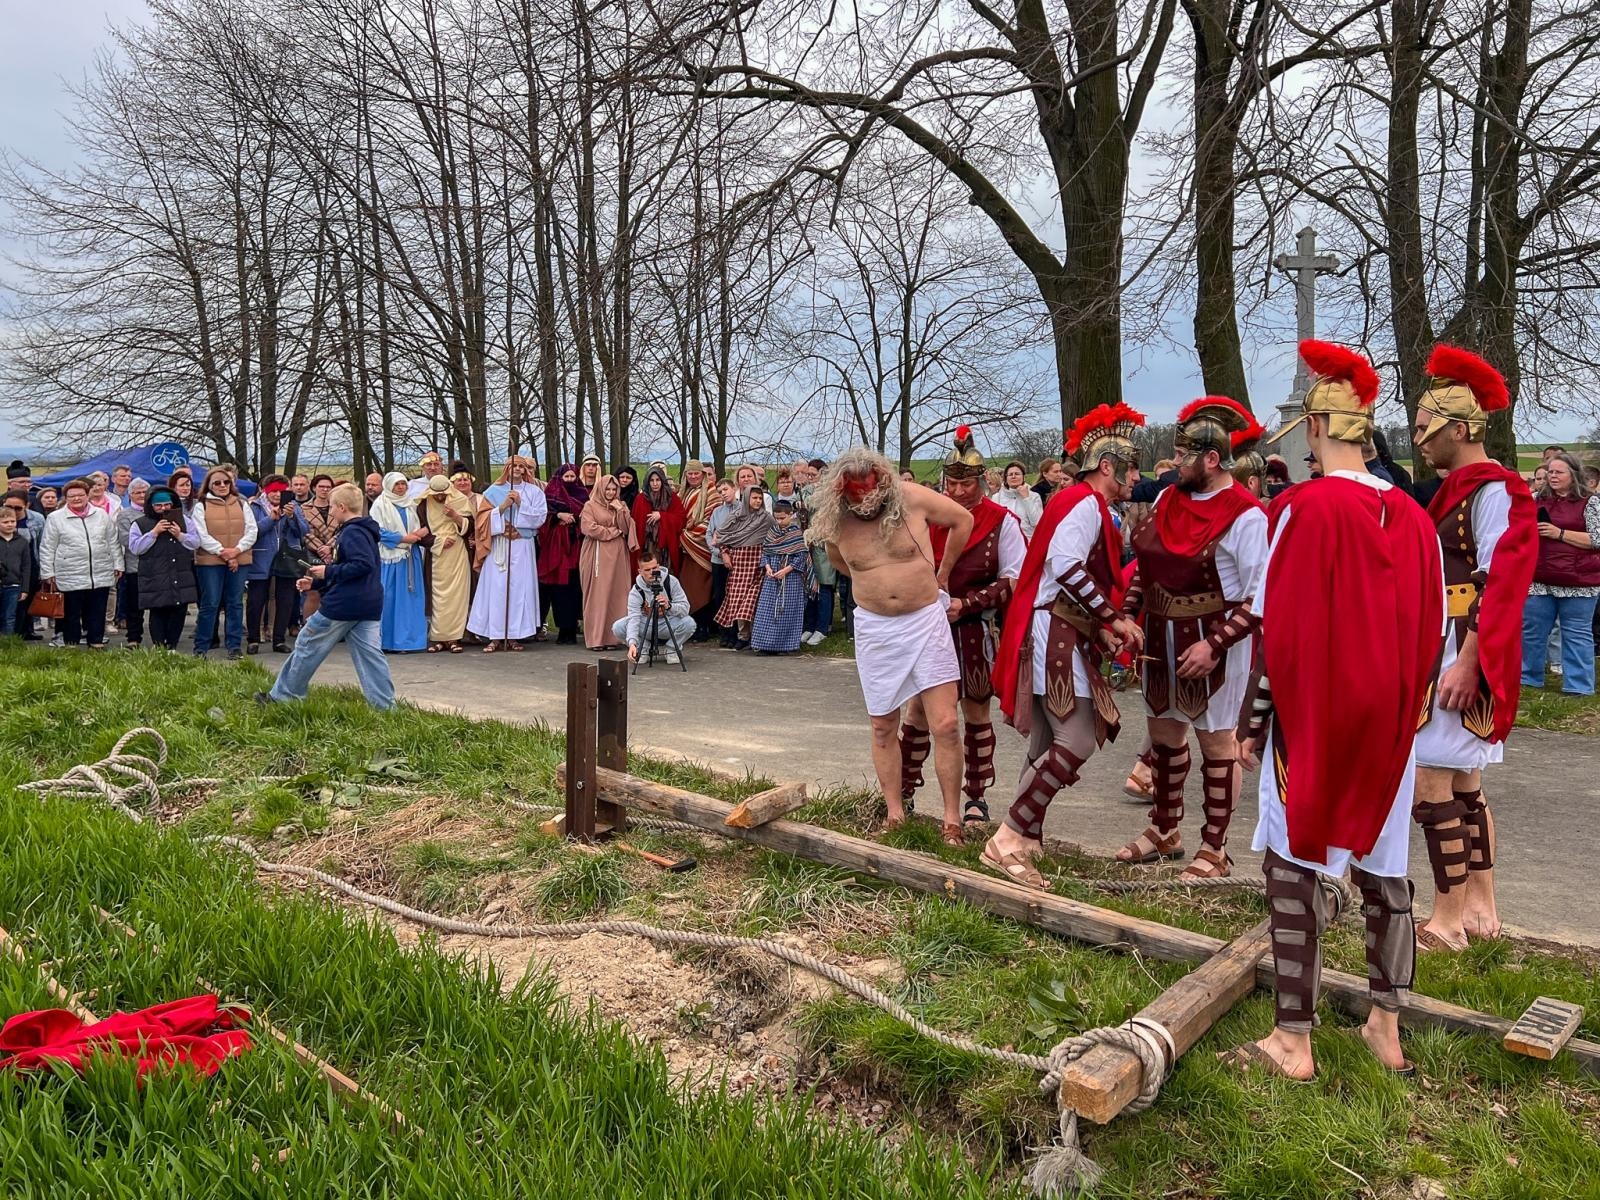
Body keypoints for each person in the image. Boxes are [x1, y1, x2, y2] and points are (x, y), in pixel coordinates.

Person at [1224, 338, 1444, 1081]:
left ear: (1315, 429)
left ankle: (1293, 1041)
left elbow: (1276, 624)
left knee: (1291, 859)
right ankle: (1386, 1025)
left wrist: (1255, 720)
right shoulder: (1415, 517)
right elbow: (1433, 629)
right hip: (1391, 723)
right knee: (1385, 866)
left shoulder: (1302, 506)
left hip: (1317, 717)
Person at [979, 407, 1145, 885]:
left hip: (1060, 627)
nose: (1137, 476)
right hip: (1055, 630)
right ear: (1107, 465)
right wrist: (1112, 617)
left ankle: (1027, 836)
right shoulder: (1083, 502)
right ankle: (1008, 837)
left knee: (1048, 741)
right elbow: (1067, 568)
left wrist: (1105, 628)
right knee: (1077, 737)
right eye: (1131, 466)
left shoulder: (1083, 503)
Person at [1410, 345, 1539, 952]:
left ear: (1458, 430)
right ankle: (1481, 905)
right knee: (1464, 782)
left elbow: (1500, 582)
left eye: (1424, 429)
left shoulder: (1496, 491)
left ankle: (1447, 919)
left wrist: (1468, 662)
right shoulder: (1455, 490)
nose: (1417, 441)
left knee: (1433, 779)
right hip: (1449, 646)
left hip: (1463, 654)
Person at [1115, 397, 1267, 880]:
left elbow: (1258, 598)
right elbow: (1148, 564)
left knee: (1217, 744)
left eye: (1183, 455)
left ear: (1212, 459)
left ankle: (1215, 849)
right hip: (1161, 634)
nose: (1175, 463)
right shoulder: (1167, 500)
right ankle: (1165, 830)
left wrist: (1214, 645)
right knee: (1163, 737)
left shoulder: (1246, 516)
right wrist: (1127, 614)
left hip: (1213, 639)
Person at [806, 448, 974, 830]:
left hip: (925, 621)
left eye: (870, 493)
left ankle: (951, 820)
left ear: (883, 482)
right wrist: (876, 585)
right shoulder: (835, 520)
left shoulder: (911, 498)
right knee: (883, 725)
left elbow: (962, 520)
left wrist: (943, 573)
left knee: (946, 722)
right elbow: (838, 562)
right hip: (877, 629)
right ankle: (895, 814)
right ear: (841, 492)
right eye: (855, 496)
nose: (865, 501)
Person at [895, 427, 1025, 840]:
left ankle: (975, 797)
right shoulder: (928, 516)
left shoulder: (1003, 521)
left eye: (965, 483)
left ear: (983, 482)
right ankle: (905, 790)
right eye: (951, 482)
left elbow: (1014, 578)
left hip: (973, 628)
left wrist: (966, 604)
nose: (957, 491)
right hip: (926, 628)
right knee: (916, 712)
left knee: (974, 712)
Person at [260, 483, 394, 711]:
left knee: (306, 643)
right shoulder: (365, 531)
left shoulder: (352, 533)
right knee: (370, 656)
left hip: (343, 605)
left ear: (342, 507)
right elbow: (354, 569)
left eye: (332, 506)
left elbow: (361, 565)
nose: (330, 511)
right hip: (368, 603)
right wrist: (316, 581)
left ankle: (285, 696)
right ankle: (384, 707)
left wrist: (327, 571)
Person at [1523, 450, 1600, 694]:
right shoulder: (1534, 499)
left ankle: (1578, 686)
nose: (1552, 476)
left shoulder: (1591, 502)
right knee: (1532, 631)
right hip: (1540, 579)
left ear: (1573, 474)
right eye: (1550, 472)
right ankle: (1529, 678)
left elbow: (1597, 538)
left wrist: (1560, 534)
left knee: (1576, 633)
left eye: (1559, 472)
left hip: (1580, 581)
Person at [467, 457, 546, 652]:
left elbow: (540, 517)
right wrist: (501, 508)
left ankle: (514, 636)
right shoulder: (493, 491)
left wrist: (520, 503)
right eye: (514, 466)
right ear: (507, 468)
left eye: (521, 466)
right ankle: (494, 636)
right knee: (497, 588)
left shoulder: (534, 492)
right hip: (499, 544)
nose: (518, 469)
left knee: (519, 589)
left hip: (522, 545)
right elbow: (481, 519)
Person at [40, 478, 121, 649]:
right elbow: (47, 547)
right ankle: (71, 644)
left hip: (100, 571)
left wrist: (118, 564)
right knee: (71, 613)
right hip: (69, 573)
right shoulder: (56, 518)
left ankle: (96, 642)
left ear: (87, 495)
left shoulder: (101, 515)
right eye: (71, 496)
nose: (76, 499)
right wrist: (48, 572)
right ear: (66, 498)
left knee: (97, 611)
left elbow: (113, 541)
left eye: (80, 495)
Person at [190, 466, 257, 659]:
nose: (222, 485)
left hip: (240, 558)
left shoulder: (242, 503)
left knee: (235, 603)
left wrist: (236, 551)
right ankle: (201, 646)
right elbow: (201, 535)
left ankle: (234, 646)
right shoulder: (201, 505)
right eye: (217, 482)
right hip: (210, 562)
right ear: (209, 485)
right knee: (210, 604)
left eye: (226, 482)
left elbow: (251, 531)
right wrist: (223, 552)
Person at [129, 485, 200, 650]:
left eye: (166, 504)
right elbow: (135, 548)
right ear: (151, 506)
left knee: (178, 610)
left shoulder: (185, 520)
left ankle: (172, 645)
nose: (163, 508)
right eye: (158, 505)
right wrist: (154, 532)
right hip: (154, 574)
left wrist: (180, 535)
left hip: (180, 572)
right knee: (158, 610)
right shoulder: (140, 523)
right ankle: (159, 646)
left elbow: (195, 542)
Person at [370, 471, 430, 653]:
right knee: (390, 599)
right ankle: (388, 641)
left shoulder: (410, 505)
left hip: (410, 557)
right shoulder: (380, 505)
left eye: (403, 484)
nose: (401, 487)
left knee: (410, 600)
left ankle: (409, 641)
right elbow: (377, 531)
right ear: (389, 486)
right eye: (397, 484)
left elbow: (417, 527)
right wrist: (404, 538)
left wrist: (418, 535)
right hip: (392, 559)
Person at [579, 474, 637, 650]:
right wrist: (612, 532)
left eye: (614, 489)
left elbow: (627, 529)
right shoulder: (590, 505)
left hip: (618, 555)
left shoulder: (621, 505)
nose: (611, 492)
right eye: (608, 489)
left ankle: (614, 637)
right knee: (599, 595)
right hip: (597, 553)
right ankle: (596, 638)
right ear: (601, 489)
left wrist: (620, 510)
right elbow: (588, 528)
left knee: (618, 594)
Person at [713, 486, 774, 650]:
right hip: (738, 565)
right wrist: (725, 552)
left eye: (760, 498)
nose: (757, 501)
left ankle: (757, 637)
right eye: (754, 498)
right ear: (746, 498)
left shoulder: (766, 518)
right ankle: (743, 636)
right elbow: (722, 537)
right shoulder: (737, 517)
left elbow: (774, 536)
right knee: (738, 602)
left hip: (757, 564)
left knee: (753, 601)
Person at [751, 498, 813, 656]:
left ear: (790, 515)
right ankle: (764, 645)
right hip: (772, 578)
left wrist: (786, 570)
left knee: (787, 611)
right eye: (777, 518)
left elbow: (801, 556)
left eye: (782, 518)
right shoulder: (772, 532)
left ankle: (785, 646)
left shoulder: (796, 533)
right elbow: (765, 551)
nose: (779, 521)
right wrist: (767, 567)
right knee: (766, 611)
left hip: (790, 579)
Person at [615, 543, 694, 664]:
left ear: (658, 566)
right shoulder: (636, 591)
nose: (652, 572)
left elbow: (685, 608)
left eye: (655, 568)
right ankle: (643, 648)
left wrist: (669, 606)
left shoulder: (670, 581)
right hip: (646, 623)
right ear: (640, 571)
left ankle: (672, 649)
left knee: (689, 623)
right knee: (618, 627)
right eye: (647, 570)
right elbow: (634, 618)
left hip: (667, 622)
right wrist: (632, 643)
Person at [536, 464, 585, 646]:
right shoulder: (551, 494)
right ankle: (559, 630)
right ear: (560, 477)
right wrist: (558, 516)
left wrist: (574, 520)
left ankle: (570, 630)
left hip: (574, 548)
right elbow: (542, 517)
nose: (570, 481)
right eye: (567, 477)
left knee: (572, 591)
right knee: (556, 592)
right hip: (554, 549)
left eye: (573, 477)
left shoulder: (582, 495)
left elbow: (587, 515)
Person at [678, 461, 719, 641]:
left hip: (702, 548)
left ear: (702, 474)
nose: (693, 477)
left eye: (696, 474)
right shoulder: (682, 493)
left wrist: (687, 535)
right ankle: (692, 626)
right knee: (688, 588)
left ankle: (704, 626)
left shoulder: (711, 492)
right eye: (690, 474)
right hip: (686, 551)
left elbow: (712, 520)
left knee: (703, 588)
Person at [114, 479, 151, 646]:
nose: (142, 495)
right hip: (135, 566)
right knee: (134, 606)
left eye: (145, 492)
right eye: (138, 492)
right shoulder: (125, 515)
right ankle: (134, 638)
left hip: (157, 566)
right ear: (130, 495)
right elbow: (126, 540)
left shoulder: (158, 512)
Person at [632, 465, 686, 574]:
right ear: (648, 481)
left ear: (662, 480)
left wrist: (662, 516)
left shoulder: (672, 497)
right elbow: (636, 523)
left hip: (666, 547)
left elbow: (681, 519)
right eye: (652, 480)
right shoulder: (640, 499)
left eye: (658, 480)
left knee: (665, 574)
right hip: (647, 545)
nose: (655, 483)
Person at [0, 504, 33, 635]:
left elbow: (26, 566)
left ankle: (8, 645)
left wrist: (25, 588)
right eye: (5, 522)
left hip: (14, 584)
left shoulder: (23, 541)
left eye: (12, 521)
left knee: (9, 616)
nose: (9, 524)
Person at [992, 461, 1043, 540]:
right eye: (1010, 474)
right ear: (1006, 478)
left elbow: (1037, 522)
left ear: (1023, 477)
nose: (1013, 476)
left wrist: (1026, 498)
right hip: (1005, 542)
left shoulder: (1034, 496)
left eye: (1017, 474)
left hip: (1027, 542)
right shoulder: (996, 497)